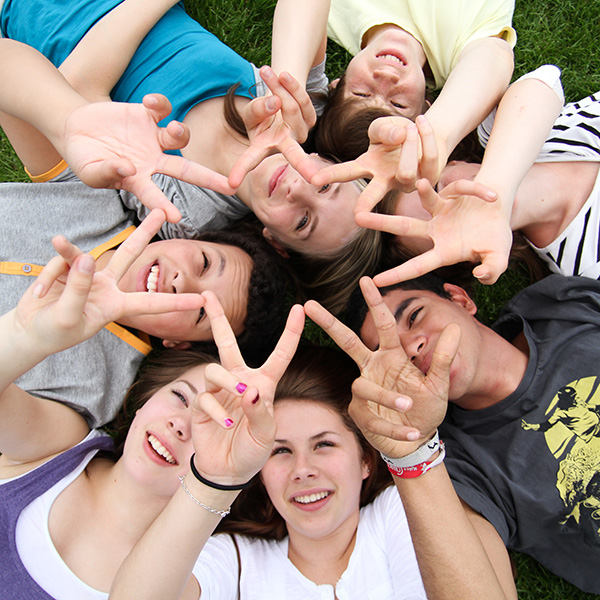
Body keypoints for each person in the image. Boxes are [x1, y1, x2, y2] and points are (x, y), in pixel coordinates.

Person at [0, 231, 304, 599]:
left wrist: (216, 480)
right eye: (180, 397)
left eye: (217, 428)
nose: (180, 425)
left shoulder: (194, 574)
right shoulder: (62, 447)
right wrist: (22, 337)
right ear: (145, 400)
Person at [304, 272, 600, 596]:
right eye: (390, 354)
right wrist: (411, 452)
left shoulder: (559, 308)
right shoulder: (462, 469)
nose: (412, 347)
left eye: (415, 316)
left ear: (460, 299)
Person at [0, 0, 366, 255]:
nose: (297, 190)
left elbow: (77, 87)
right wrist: (288, 81)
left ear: (276, 242)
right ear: (327, 160)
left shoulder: (187, 210)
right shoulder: (300, 113)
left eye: (303, 222)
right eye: (326, 186)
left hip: (28, 17)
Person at [109, 344, 428, 599]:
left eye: (324, 445)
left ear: (366, 461)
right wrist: (215, 478)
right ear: (259, 472)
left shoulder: (401, 515)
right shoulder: (235, 563)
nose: (303, 470)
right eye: (280, 451)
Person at [271, 0, 516, 182]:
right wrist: (435, 136)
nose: (386, 77)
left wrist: (284, 97)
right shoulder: (465, 52)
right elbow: (495, 53)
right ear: (427, 109)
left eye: (361, 94)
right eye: (398, 104)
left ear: (337, 83)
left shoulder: (332, 17)